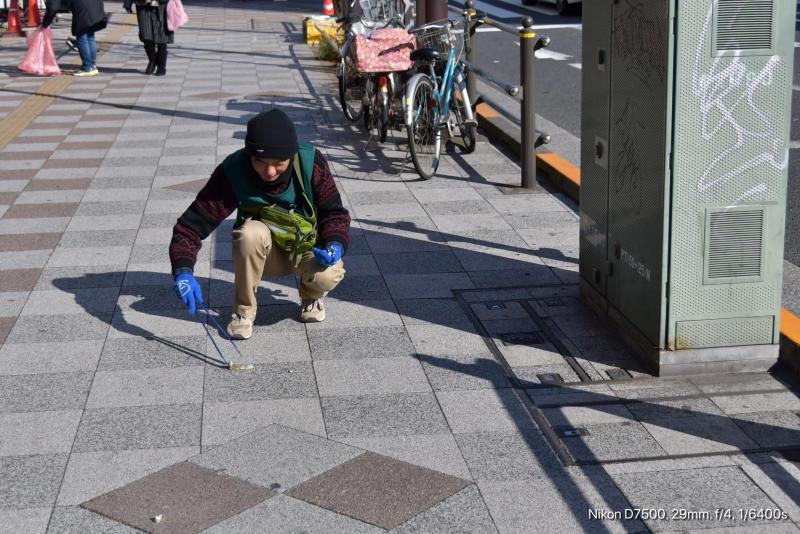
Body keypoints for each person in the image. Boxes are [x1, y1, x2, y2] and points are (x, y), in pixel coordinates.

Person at [169, 108, 350, 340]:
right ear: (248, 155)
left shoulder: (310, 163)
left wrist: (334, 244)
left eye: (279, 163)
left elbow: (334, 214)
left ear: (292, 155)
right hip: (262, 255)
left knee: (330, 273)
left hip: (307, 251)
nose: (270, 171)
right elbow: (191, 226)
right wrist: (183, 270)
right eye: (259, 161)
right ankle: (243, 312)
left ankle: (311, 296)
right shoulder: (234, 170)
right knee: (249, 233)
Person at [42, 0, 107, 77]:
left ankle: (87, 67)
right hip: (95, 6)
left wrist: (45, 24)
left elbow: (53, 7)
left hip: (83, 9)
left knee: (82, 37)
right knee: (90, 36)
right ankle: (92, 65)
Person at [123, 0, 173, 76]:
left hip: (161, 5)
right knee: (146, 35)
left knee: (162, 36)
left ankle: (161, 66)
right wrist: (127, 3)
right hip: (143, 5)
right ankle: (153, 60)